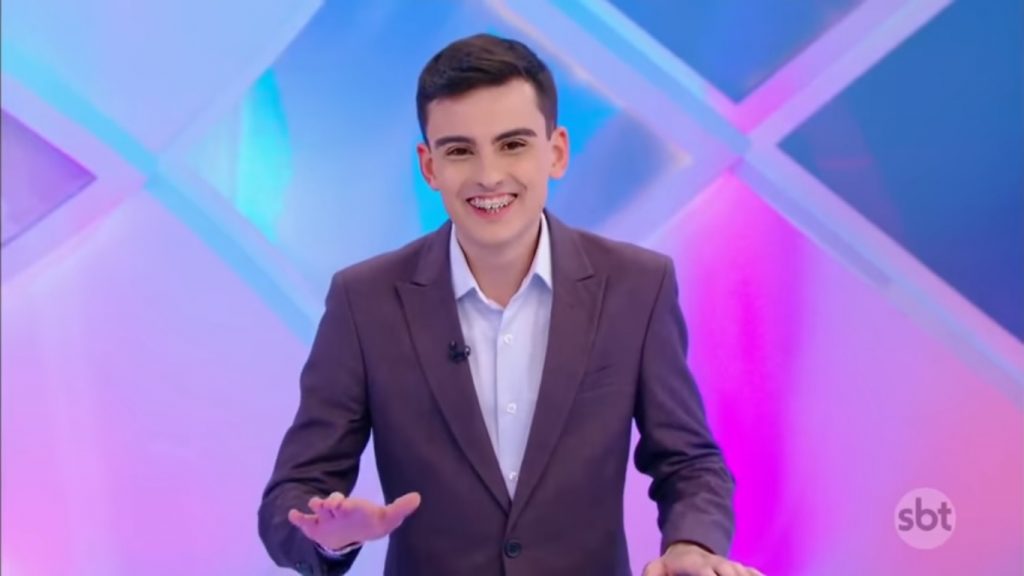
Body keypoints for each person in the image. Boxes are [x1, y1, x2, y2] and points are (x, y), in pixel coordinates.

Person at [259, 33, 762, 576]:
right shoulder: (365, 301)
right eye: (460, 151)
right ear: (429, 166)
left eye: (513, 144)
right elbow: (292, 494)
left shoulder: (637, 286)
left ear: (556, 152)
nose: (489, 175)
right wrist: (326, 536)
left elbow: (689, 461)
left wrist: (691, 545)